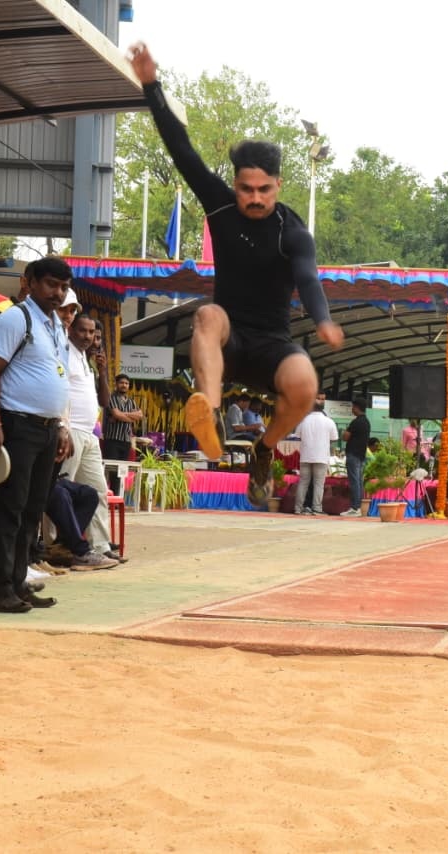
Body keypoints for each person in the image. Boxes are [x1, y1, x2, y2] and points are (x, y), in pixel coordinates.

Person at [129, 43, 344, 509]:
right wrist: (152, 86)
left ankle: (264, 452)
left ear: (278, 185)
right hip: (227, 334)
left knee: (305, 382)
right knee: (207, 314)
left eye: (263, 189)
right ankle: (208, 409)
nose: (253, 198)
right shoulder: (220, 203)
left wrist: (323, 320)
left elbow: (308, 278)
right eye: (245, 188)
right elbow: (180, 147)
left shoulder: (292, 230)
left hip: (270, 341)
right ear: (235, 184)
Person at [0, 257, 74, 613]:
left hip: (47, 429)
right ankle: (1, 587)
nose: (58, 293)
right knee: (11, 508)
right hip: (16, 425)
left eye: (63, 287)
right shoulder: (15, 318)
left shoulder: (53, 324)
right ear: (29, 282)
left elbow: (57, 375)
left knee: (33, 510)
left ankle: (18, 582)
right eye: (51, 284)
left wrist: (61, 426)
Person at [60, 312, 123, 565]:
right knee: (61, 493)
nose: (88, 337)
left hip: (89, 435)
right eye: (83, 331)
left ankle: (100, 545)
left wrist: (103, 371)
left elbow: (105, 402)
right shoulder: (64, 352)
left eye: (93, 334)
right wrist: (63, 427)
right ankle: (56, 546)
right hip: (71, 431)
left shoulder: (86, 362)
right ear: (71, 330)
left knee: (98, 491)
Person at [293, 395, 337, 515]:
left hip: (306, 456)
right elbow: (334, 438)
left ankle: (298, 508)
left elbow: (297, 436)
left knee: (303, 482)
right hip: (321, 456)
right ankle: (316, 508)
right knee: (318, 484)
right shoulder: (329, 421)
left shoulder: (303, 421)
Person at [102, 374, 142, 463]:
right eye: (121, 383)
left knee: (122, 471)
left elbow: (139, 415)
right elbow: (116, 414)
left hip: (126, 441)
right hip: (112, 440)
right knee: (112, 470)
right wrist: (130, 416)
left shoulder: (131, 401)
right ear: (116, 384)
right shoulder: (111, 398)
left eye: (126, 383)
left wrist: (121, 415)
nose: (124, 385)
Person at [340, 398, 370, 517]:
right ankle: (358, 506)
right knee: (358, 481)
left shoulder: (356, 422)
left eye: (353, 407)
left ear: (357, 407)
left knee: (354, 482)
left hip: (353, 454)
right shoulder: (367, 422)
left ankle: (355, 507)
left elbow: (345, 437)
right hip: (361, 455)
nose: (352, 409)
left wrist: (345, 431)